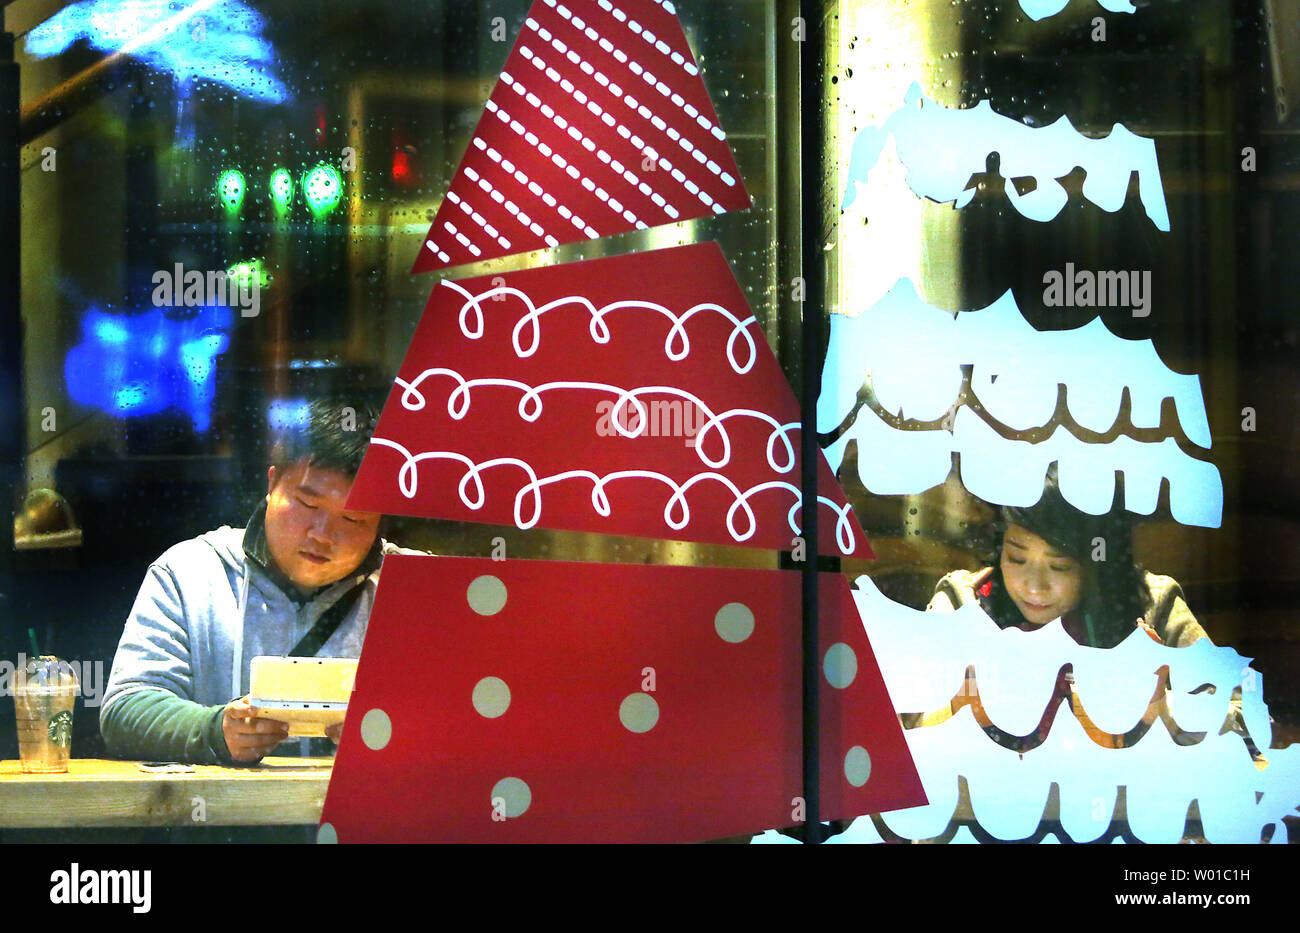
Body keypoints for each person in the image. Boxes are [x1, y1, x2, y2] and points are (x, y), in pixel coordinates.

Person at [100, 399, 395, 765]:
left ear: (381, 523)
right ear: (272, 484)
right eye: (306, 503)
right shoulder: (189, 572)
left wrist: (397, 729)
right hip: (221, 816)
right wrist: (212, 730)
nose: (322, 534)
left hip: (357, 818)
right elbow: (126, 708)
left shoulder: (414, 591)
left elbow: (469, 718)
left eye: (352, 520)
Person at [921, 469, 1227, 751]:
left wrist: (1164, 710)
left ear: (1098, 562)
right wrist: (953, 707)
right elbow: (901, 720)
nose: (1034, 587)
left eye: (1060, 566)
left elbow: (1239, 713)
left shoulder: (1151, 605)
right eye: (1016, 559)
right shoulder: (964, 602)